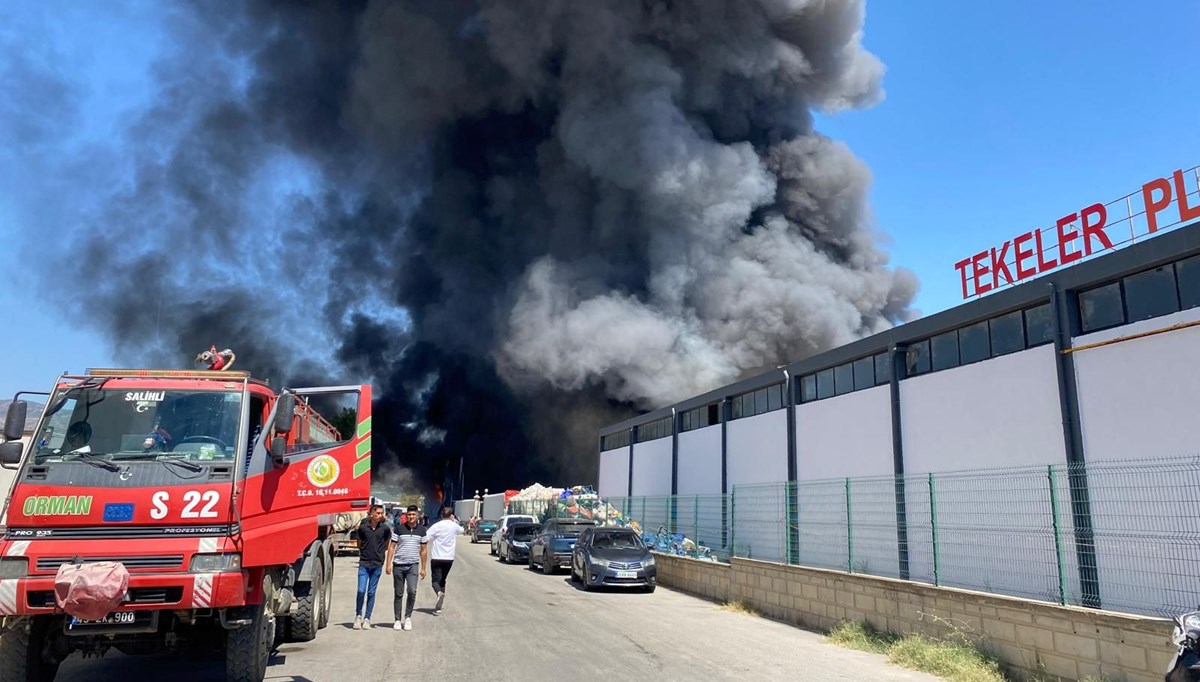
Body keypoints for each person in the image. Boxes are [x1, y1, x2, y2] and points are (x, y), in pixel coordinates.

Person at [385, 504, 427, 631]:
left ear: (417, 516)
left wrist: (424, 568)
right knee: (398, 593)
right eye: (409, 514)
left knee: (412, 591)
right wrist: (388, 564)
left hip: (413, 565)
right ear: (406, 515)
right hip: (398, 565)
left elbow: (424, 550)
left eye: (413, 514)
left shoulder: (422, 530)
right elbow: (392, 547)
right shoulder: (399, 529)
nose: (411, 517)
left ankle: (408, 617)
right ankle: (397, 620)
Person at [354, 504, 391, 629]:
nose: (381, 515)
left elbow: (386, 545)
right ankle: (358, 615)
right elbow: (359, 543)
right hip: (364, 563)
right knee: (361, 590)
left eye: (381, 513)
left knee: (371, 592)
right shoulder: (363, 528)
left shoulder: (385, 529)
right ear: (372, 514)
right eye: (378, 513)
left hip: (377, 564)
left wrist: (379, 555)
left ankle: (367, 618)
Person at [425, 506, 465, 614]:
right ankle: (439, 607)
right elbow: (462, 530)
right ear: (451, 515)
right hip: (449, 558)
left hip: (437, 557)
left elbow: (427, 537)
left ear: (441, 515)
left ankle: (439, 593)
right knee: (443, 580)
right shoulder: (454, 526)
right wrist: (455, 520)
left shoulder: (436, 526)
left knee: (435, 581)